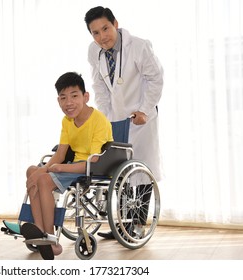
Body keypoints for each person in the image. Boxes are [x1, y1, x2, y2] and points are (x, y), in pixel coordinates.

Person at [84, 6, 164, 239]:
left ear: (115, 24)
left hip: (141, 120)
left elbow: (155, 79)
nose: (102, 37)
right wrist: (107, 116)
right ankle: (122, 225)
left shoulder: (139, 46)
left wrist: (144, 110)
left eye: (105, 29)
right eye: (95, 33)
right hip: (116, 119)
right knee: (121, 173)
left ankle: (137, 226)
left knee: (141, 172)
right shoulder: (94, 51)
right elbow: (99, 85)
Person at [25, 71, 113, 258]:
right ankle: (39, 229)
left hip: (91, 167)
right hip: (73, 164)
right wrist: (43, 169)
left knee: (43, 181)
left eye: (74, 96)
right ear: (58, 101)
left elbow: (94, 160)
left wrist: (60, 168)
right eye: (63, 98)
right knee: (32, 171)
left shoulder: (99, 121)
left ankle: (51, 239)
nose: (69, 103)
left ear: (85, 96)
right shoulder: (67, 121)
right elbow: (60, 154)